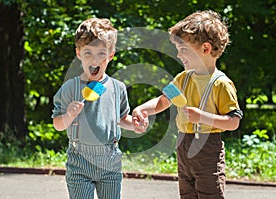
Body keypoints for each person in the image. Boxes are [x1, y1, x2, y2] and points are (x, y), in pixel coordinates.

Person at [133, 10, 243, 199]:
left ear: (205, 49)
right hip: (183, 144)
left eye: (183, 49)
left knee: (210, 194)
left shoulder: (220, 83)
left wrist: (202, 117)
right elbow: (163, 101)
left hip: (208, 148)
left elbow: (233, 122)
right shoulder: (182, 79)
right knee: (187, 194)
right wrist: (142, 109)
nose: (178, 54)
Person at [52, 18, 146, 199]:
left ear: (111, 55)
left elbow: (121, 118)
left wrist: (134, 125)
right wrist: (69, 114)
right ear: (78, 53)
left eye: (101, 54)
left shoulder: (117, 88)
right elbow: (58, 125)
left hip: (110, 162)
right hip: (79, 162)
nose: (95, 60)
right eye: (88, 53)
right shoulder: (70, 88)